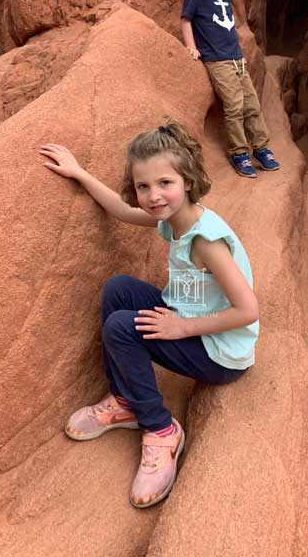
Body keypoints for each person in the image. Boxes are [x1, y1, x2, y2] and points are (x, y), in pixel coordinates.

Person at [39, 120, 259, 508]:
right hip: (191, 320)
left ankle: (160, 429)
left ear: (187, 181)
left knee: (122, 328)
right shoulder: (173, 220)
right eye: (144, 186)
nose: (154, 195)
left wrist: (181, 327)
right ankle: (125, 401)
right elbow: (123, 211)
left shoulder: (206, 241)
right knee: (118, 288)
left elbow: (247, 310)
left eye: (164, 183)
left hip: (221, 352)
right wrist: (78, 172)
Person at [180, 0, 281, 179]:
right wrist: (191, 47)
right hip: (217, 60)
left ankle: (261, 148)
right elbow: (186, 21)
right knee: (234, 106)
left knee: (252, 105)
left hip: (236, 59)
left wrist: (241, 55)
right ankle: (239, 153)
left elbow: (229, 28)